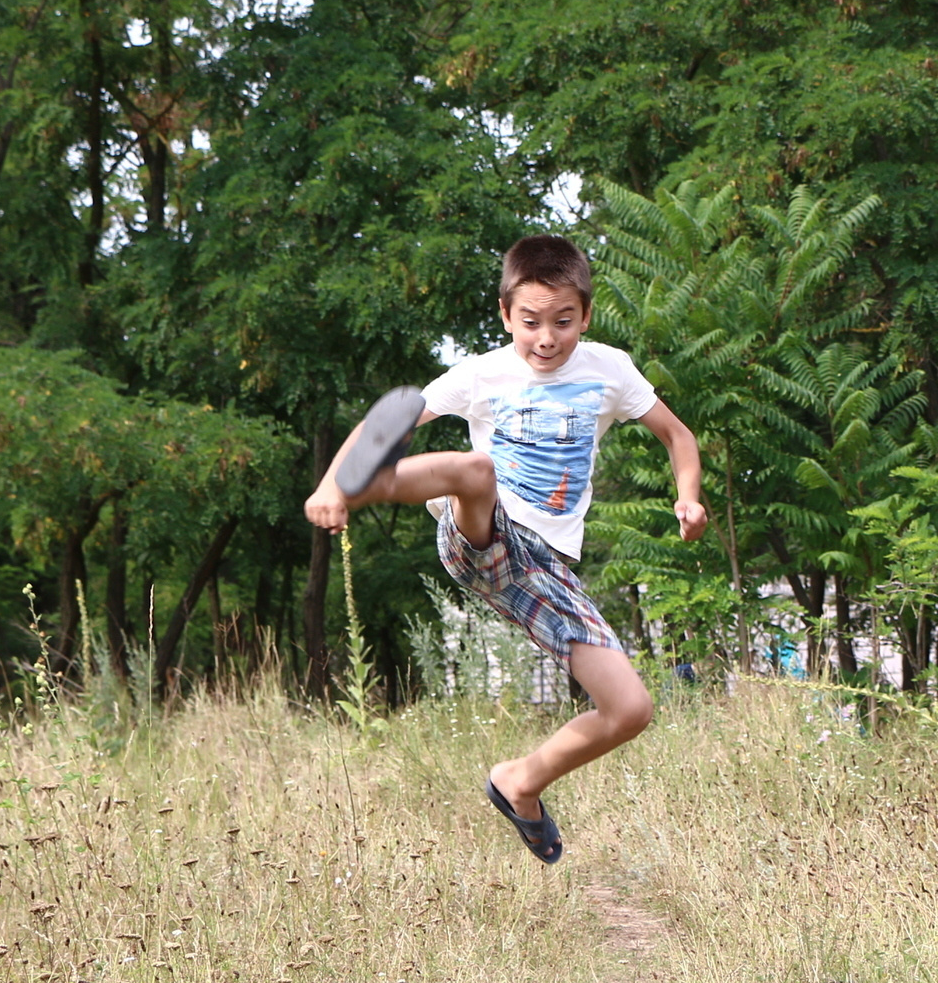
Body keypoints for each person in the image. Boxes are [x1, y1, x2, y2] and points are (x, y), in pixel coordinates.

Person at [303, 234, 707, 863]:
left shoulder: (610, 370)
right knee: (476, 470)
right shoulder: (482, 372)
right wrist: (330, 484)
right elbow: (397, 412)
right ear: (504, 314)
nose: (546, 338)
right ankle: (363, 482)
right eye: (530, 322)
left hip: (542, 566)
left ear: (586, 316)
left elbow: (677, 436)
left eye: (563, 322)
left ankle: (520, 780)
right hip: (479, 533)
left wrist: (689, 497)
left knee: (631, 708)